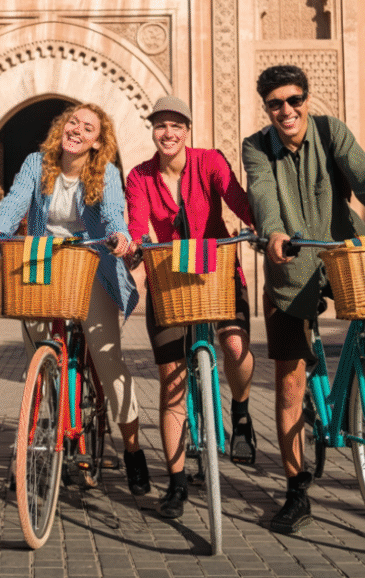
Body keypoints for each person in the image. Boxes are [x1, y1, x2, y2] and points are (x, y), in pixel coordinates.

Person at [241, 65, 365, 535]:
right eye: (275, 104)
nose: (286, 111)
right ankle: (295, 491)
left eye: (293, 100)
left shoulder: (331, 133)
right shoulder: (256, 147)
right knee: (290, 384)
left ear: (306, 99)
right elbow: (263, 194)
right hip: (291, 267)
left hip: (349, 256)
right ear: (266, 108)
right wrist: (272, 233)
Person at [0, 102, 151, 497]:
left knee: (108, 360)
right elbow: (14, 200)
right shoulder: (37, 163)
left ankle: (132, 450)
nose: (76, 130)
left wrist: (120, 237)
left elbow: (113, 213)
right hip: (44, 263)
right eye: (72, 122)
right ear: (63, 126)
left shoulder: (105, 173)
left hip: (91, 264)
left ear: (97, 142)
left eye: (87, 128)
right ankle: (27, 449)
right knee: (38, 363)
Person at [124, 95, 258, 519]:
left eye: (176, 126)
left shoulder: (209, 162)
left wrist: (261, 224)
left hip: (217, 273)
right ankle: (177, 483)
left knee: (235, 348)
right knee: (171, 382)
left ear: (187, 130)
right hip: (170, 279)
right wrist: (132, 244)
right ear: (152, 131)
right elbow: (136, 219)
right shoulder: (140, 175)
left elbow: (236, 198)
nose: (168, 133)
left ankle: (240, 411)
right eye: (161, 126)